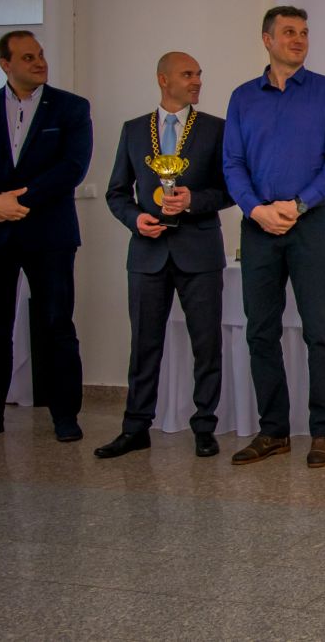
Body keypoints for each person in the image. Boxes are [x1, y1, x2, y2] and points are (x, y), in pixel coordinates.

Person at [223, 6, 325, 468]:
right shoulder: (243, 98)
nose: (299, 39)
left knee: (319, 329)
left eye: (304, 33)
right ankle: (273, 431)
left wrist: (297, 205)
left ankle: (323, 432)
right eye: (289, 32)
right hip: (258, 226)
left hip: (311, 223)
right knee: (261, 330)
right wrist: (257, 209)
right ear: (267, 39)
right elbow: (232, 163)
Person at [96, 52, 233, 460]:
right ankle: (135, 427)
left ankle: (204, 427)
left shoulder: (216, 129)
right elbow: (117, 192)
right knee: (144, 344)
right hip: (147, 252)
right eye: (188, 74)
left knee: (206, 345)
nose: (197, 81)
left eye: (199, 74)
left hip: (199, 251)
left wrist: (193, 201)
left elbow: (229, 191)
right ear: (163, 79)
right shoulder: (134, 130)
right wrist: (135, 219)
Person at [0, 30, 92, 441]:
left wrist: (17, 201)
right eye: (27, 57)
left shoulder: (71, 107)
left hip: (49, 235)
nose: (39, 62)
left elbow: (73, 167)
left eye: (40, 54)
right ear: (5, 64)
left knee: (57, 325)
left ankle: (65, 417)